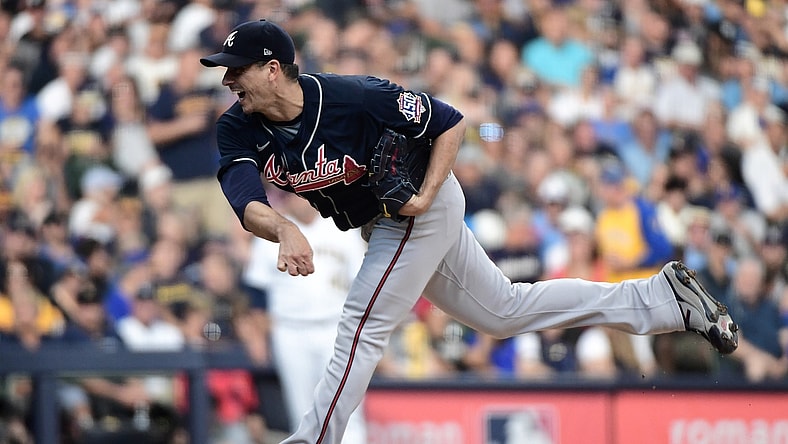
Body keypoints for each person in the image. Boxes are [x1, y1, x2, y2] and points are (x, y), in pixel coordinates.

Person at [200, 19, 739, 444]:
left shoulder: (352, 96)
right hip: (384, 221)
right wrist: (285, 227)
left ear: (273, 69)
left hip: (416, 212)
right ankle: (662, 300)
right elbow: (246, 199)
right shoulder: (237, 125)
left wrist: (429, 194)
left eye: (236, 69)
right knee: (504, 312)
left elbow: (450, 121)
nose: (227, 80)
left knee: (360, 326)